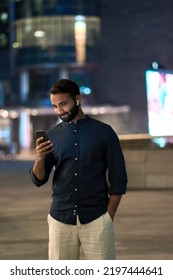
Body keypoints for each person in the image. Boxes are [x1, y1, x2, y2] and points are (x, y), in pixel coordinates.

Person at [30, 79, 127, 260]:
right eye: (55, 106)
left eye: (63, 104)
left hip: (97, 218)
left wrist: (109, 216)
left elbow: (118, 176)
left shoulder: (104, 132)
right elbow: (38, 179)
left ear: (77, 99)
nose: (59, 111)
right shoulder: (51, 136)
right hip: (60, 219)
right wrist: (40, 158)